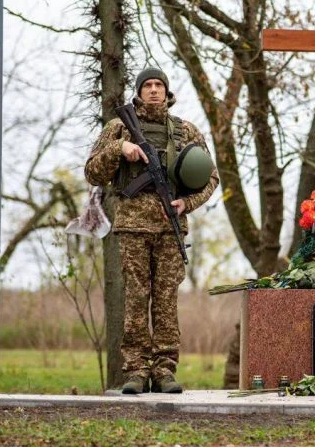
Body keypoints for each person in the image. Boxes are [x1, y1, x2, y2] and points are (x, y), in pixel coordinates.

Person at [85, 67, 218, 394]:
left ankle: (164, 370)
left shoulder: (185, 130)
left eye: (159, 85)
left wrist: (187, 204)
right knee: (135, 300)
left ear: (167, 90)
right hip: (131, 226)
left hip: (170, 228)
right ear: (139, 91)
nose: (155, 90)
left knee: (165, 301)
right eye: (149, 85)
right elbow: (92, 173)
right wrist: (120, 150)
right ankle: (136, 370)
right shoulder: (118, 128)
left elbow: (210, 177)